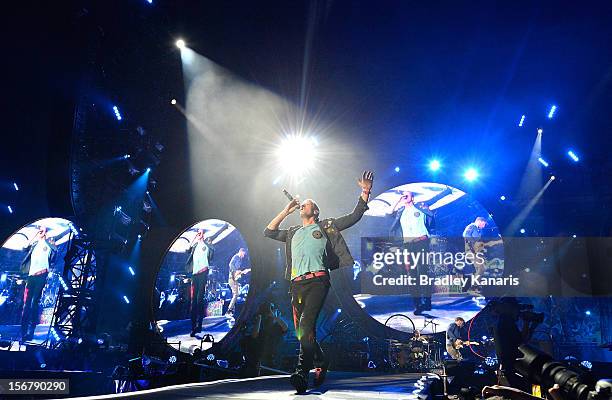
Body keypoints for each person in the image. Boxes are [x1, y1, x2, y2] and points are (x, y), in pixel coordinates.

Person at [264, 170, 374, 394]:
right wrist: (287, 210)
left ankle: (301, 373)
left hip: (318, 280)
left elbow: (354, 217)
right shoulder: (293, 231)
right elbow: (268, 231)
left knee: (305, 326)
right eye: (301, 204)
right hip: (296, 283)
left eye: (306, 204)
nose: (302, 205)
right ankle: (321, 361)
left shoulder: (326, 226)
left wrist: (365, 192)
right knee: (303, 330)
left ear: (315, 211)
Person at [390, 186, 453, 314]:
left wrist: (446, 191)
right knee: (412, 276)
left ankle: (427, 301)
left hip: (421, 242)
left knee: (423, 272)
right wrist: (398, 200)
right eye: (403, 195)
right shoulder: (400, 210)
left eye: (406, 194)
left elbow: (435, 199)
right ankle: (418, 304)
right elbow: (389, 212)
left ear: (412, 197)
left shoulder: (420, 206)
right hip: (408, 245)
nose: (404, 195)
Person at [20, 226, 57, 341]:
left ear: (46, 232)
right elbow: (24, 248)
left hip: (42, 274)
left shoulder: (49, 243)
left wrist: (47, 240)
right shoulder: (34, 243)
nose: (41, 231)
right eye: (40, 229)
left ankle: (31, 331)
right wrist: (35, 236)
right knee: (26, 305)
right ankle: (23, 331)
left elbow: (55, 252)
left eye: (43, 229)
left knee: (34, 303)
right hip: (31, 276)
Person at [240, 301, 288, 377]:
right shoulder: (260, 324)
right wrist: (259, 318)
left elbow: (285, 327)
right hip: (261, 357)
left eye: (272, 309)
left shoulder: (276, 326)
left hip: (274, 357)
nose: (269, 311)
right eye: (268, 309)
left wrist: (274, 316)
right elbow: (254, 335)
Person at [185, 229, 215, 337]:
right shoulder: (194, 245)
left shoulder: (207, 245)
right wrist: (194, 239)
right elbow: (186, 250)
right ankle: (193, 327)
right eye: (198, 232)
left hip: (203, 273)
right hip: (194, 274)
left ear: (204, 234)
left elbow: (212, 254)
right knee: (193, 301)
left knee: (199, 300)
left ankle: (199, 324)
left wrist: (204, 240)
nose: (199, 233)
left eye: (201, 232)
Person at [226, 248, 249, 316]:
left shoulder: (240, 259)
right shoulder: (236, 257)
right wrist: (236, 271)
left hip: (234, 279)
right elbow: (230, 264)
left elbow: (238, 271)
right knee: (236, 294)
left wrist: (241, 272)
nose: (243, 256)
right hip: (232, 278)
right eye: (243, 254)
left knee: (235, 294)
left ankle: (232, 311)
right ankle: (229, 310)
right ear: (241, 252)